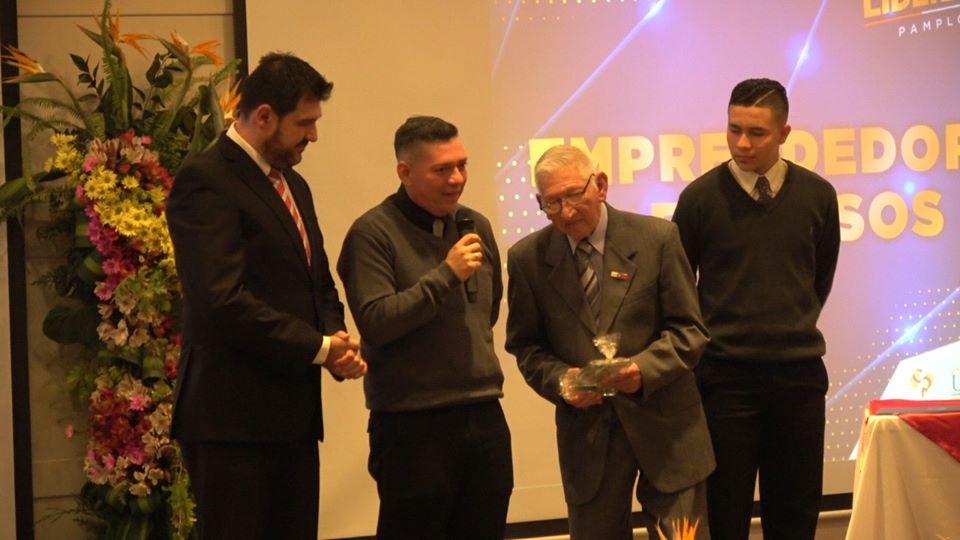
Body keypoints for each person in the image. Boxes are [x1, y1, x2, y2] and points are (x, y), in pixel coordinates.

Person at [166, 52, 367, 540]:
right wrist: (318, 347)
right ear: (263, 116)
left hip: (292, 417)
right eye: (304, 123)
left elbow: (317, 280)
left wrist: (336, 335)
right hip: (232, 423)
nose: (313, 136)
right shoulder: (206, 180)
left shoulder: (293, 184)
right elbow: (221, 300)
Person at [506, 144, 714, 540]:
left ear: (600, 185)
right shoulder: (527, 259)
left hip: (669, 429)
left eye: (573, 195)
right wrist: (561, 382)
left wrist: (641, 371)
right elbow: (526, 347)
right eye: (552, 203)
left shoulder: (658, 238)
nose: (566, 212)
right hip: (588, 438)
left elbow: (690, 330)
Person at [671, 78, 841, 540]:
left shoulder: (817, 195)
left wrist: (788, 325)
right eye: (734, 129)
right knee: (723, 514)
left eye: (757, 133)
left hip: (799, 378)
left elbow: (818, 280)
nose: (742, 143)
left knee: (795, 513)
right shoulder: (699, 199)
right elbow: (680, 291)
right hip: (725, 381)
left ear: (784, 133)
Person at [337, 115, 513, 540]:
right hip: (411, 425)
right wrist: (446, 275)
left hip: (484, 414)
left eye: (462, 165)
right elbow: (377, 322)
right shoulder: (372, 233)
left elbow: (487, 312)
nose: (457, 179)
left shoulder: (475, 225)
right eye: (442, 169)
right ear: (405, 171)